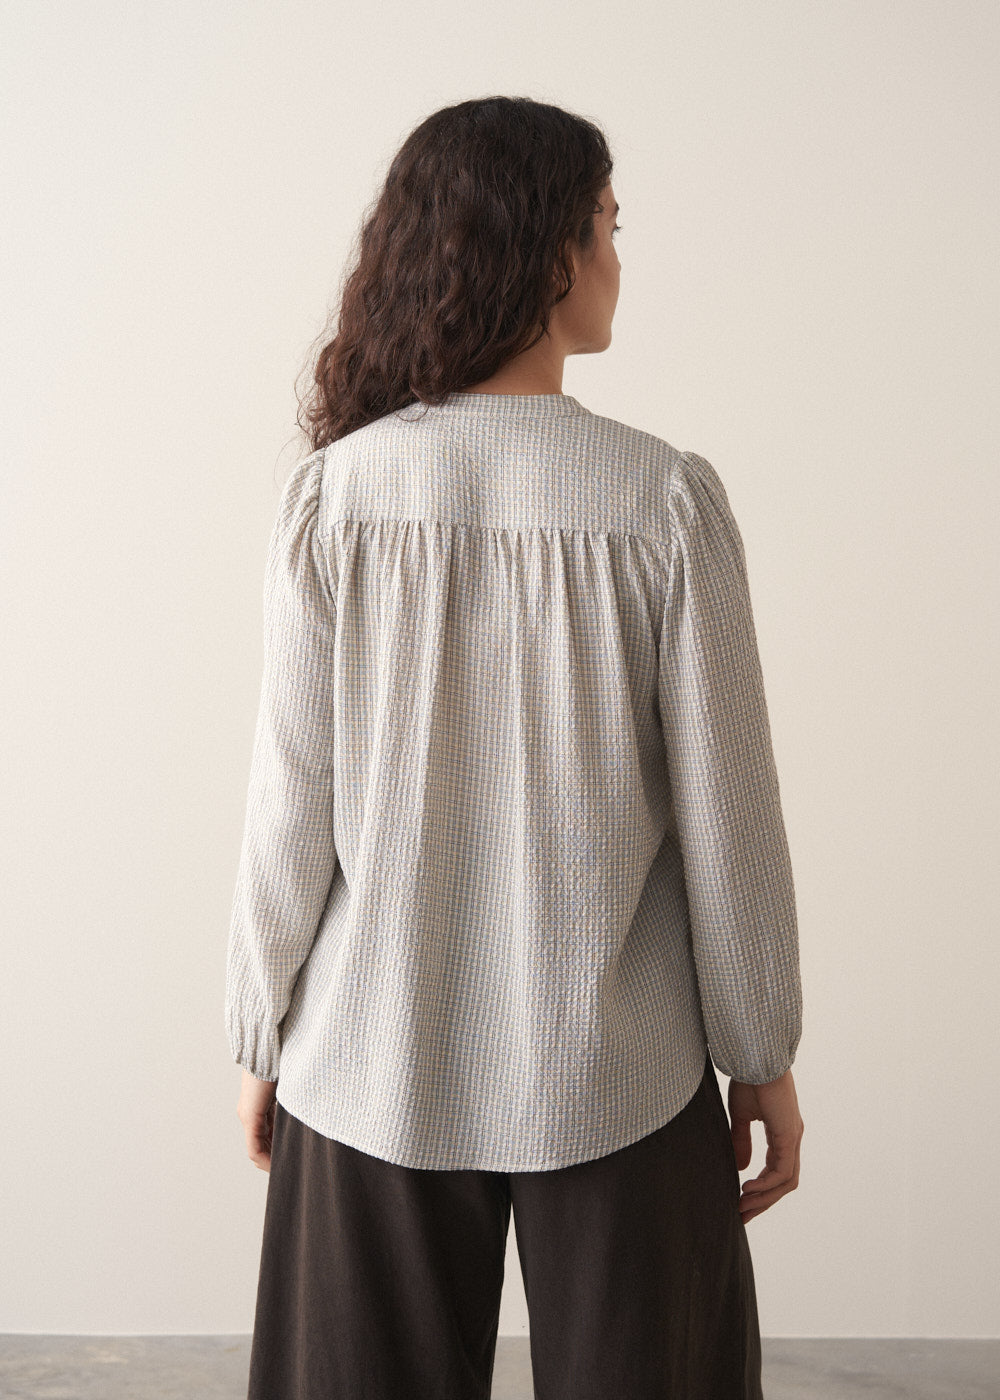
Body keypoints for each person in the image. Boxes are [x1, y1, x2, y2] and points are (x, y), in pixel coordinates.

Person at [225, 94, 804, 1400]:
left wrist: (263, 1029)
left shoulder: (334, 498)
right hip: (618, 1068)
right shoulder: (663, 502)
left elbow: (289, 809)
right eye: (609, 227)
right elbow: (732, 820)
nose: (618, 259)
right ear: (549, 253)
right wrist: (761, 1054)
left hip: (369, 1057)